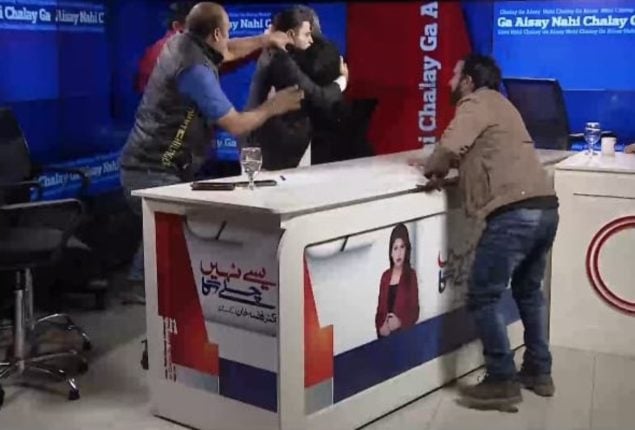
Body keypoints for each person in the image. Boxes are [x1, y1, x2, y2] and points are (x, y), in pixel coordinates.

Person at [119, 2, 304, 302]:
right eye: (226, 31)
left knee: (169, 227)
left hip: (157, 164)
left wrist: (264, 39)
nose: (228, 39)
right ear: (216, 33)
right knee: (177, 223)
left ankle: (145, 284)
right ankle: (142, 288)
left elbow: (227, 51)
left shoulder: (183, 43)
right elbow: (235, 124)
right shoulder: (194, 70)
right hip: (150, 169)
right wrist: (274, 106)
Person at [417, 54, 559, 407]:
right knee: (529, 292)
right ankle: (539, 371)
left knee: (483, 295)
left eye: (454, 75)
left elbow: (447, 150)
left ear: (468, 81)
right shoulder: (505, 105)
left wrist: (432, 168)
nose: (449, 82)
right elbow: (485, 153)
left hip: (514, 213)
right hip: (545, 207)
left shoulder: (475, 102)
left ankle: (501, 379)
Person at [242, 6, 349, 169]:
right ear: (291, 34)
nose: (311, 40)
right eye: (307, 35)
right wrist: (343, 80)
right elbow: (319, 97)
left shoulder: (274, 53)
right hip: (269, 150)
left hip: (264, 145)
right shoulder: (281, 61)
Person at [375, 224, 420, 338]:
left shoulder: (411, 275)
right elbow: (379, 313)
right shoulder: (385, 277)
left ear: (406, 249)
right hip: (386, 339)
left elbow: (415, 311)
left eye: (402, 247)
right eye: (395, 248)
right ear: (391, 252)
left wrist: (400, 322)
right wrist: (381, 327)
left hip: (404, 338)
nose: (399, 253)